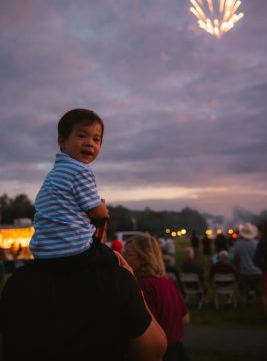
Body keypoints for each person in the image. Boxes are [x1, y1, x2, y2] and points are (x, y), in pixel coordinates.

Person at [0, 243, 167, 361]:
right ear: (98, 231)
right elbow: (153, 352)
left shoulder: (17, 281)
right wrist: (133, 285)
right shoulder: (116, 280)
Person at [29, 108, 116, 265]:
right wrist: (103, 208)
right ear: (62, 142)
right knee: (116, 261)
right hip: (73, 248)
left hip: (44, 250)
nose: (89, 143)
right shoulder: (80, 170)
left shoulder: (56, 172)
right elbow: (97, 213)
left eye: (96, 139)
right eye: (82, 136)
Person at [123, 234, 190, 361]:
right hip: (177, 352)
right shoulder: (168, 281)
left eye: (128, 253)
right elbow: (185, 319)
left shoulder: (141, 286)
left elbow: (144, 335)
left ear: (144, 259)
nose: (123, 256)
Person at [232, 222, 267, 320]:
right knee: (262, 295)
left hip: (244, 272)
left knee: (243, 295)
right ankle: (265, 315)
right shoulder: (257, 243)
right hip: (257, 272)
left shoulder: (238, 244)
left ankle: (242, 316)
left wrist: (237, 268)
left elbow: (235, 258)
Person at [253, 220, 267, 305]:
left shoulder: (262, 242)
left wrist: (263, 267)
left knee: (265, 294)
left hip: (266, 271)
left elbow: (256, 259)